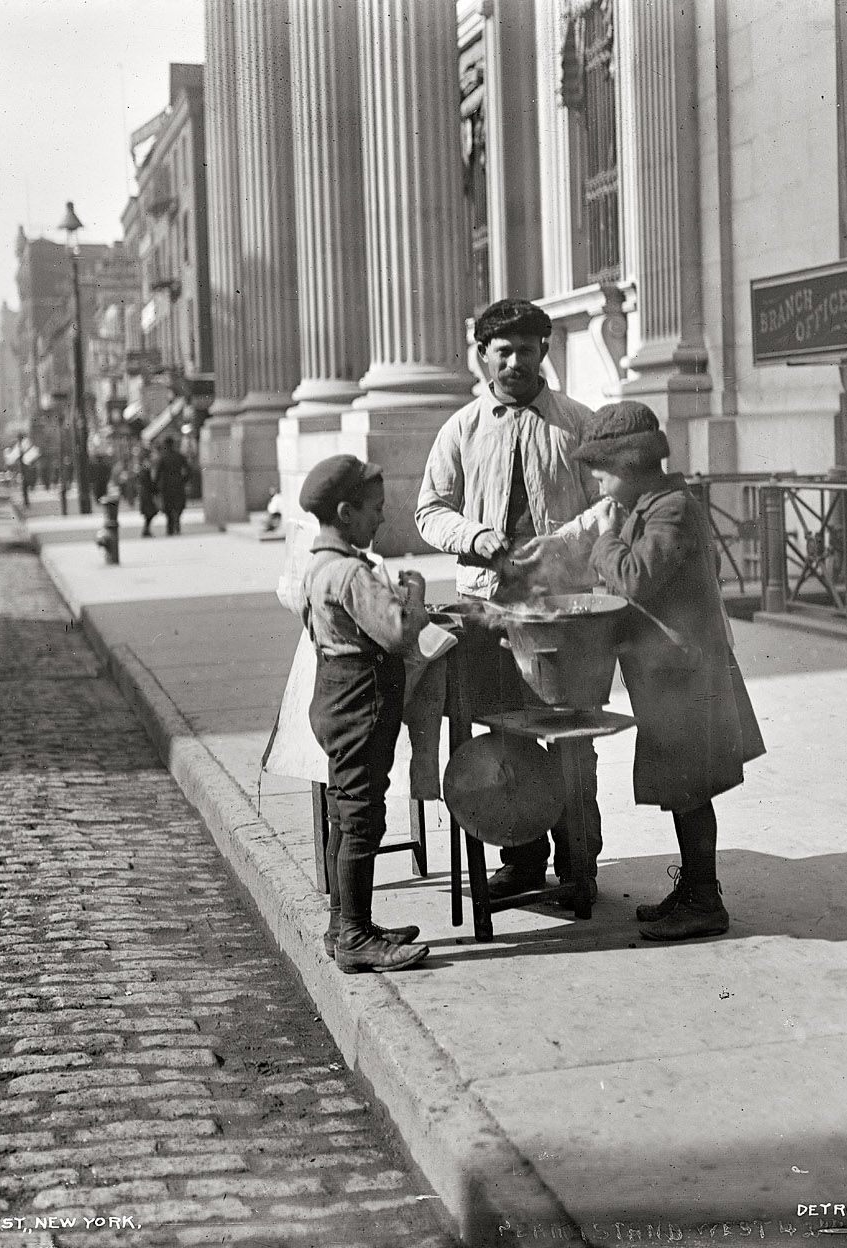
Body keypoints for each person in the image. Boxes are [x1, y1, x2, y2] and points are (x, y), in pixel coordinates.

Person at [415, 297, 601, 902]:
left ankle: (579, 866)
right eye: (504, 351)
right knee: (504, 734)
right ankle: (522, 859)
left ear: (544, 351)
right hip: (488, 612)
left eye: (527, 349)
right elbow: (429, 511)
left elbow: (609, 505)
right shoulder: (460, 429)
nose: (516, 361)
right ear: (483, 356)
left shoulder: (577, 423)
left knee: (572, 737)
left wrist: (562, 542)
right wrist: (474, 536)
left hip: (562, 611)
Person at [566, 402, 766, 939]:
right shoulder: (649, 505)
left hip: (685, 677)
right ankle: (695, 888)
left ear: (629, 464)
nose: (596, 478)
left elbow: (634, 578)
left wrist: (604, 540)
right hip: (668, 675)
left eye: (601, 468)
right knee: (682, 787)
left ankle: (704, 902)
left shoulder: (670, 509)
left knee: (691, 789)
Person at [300, 454, 430, 973]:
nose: (381, 518)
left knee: (343, 811)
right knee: (362, 818)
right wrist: (414, 595)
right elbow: (399, 632)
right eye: (375, 509)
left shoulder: (318, 565)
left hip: (335, 696)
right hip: (362, 699)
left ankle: (343, 925)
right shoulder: (351, 572)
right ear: (347, 512)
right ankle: (355, 936)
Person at [152, 438, 191, 536]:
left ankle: (170, 527)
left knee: (168, 507)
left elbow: (157, 474)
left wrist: (155, 486)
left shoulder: (163, 458)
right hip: (178, 484)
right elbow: (189, 470)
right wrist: (184, 480)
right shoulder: (179, 456)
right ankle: (176, 522)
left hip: (167, 486)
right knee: (178, 505)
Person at [136, 450, 159, 536]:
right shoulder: (145, 467)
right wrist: (154, 489)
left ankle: (146, 529)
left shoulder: (144, 467)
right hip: (146, 493)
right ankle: (146, 530)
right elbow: (147, 481)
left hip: (146, 492)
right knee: (151, 511)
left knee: (150, 512)